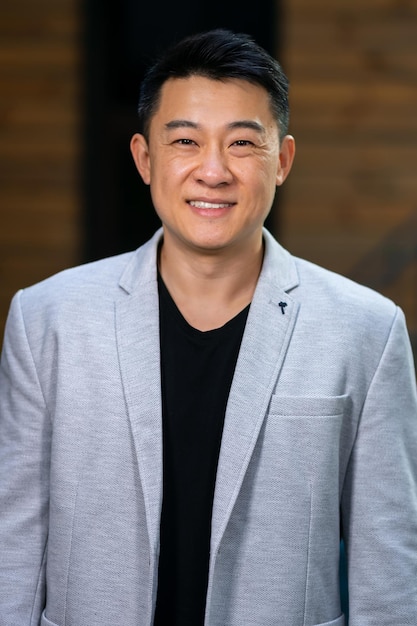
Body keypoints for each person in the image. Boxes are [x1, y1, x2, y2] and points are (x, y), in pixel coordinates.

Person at [0, 28, 416, 626]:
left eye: (243, 143)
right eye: (186, 141)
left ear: (283, 161)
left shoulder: (366, 332)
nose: (213, 171)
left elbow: (390, 572)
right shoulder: (48, 320)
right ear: (146, 159)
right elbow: (14, 554)